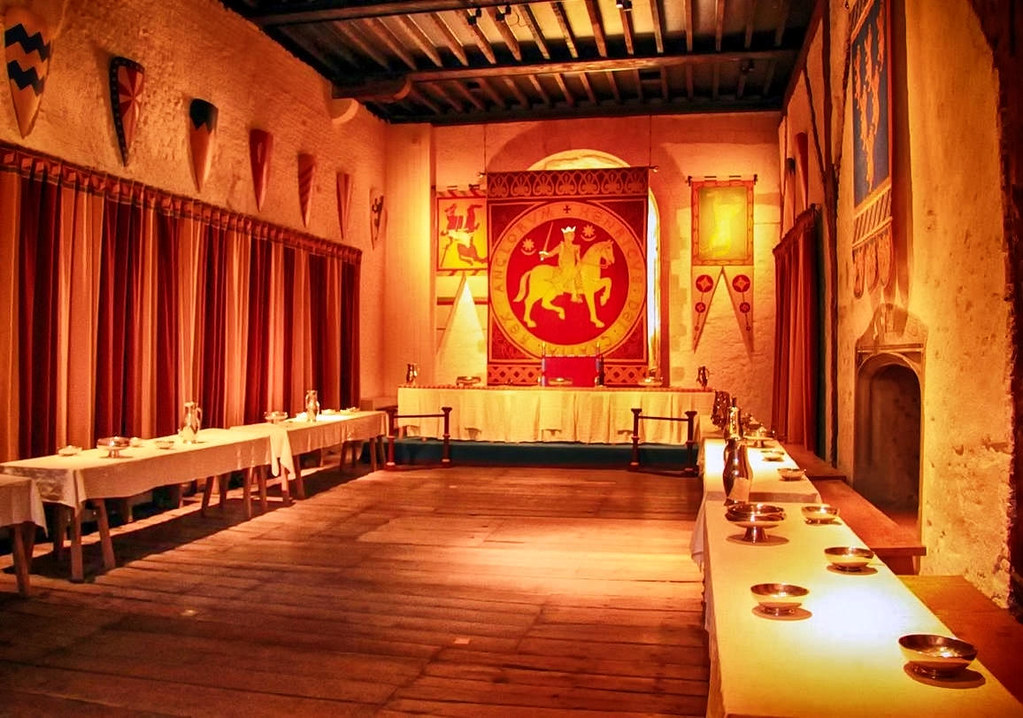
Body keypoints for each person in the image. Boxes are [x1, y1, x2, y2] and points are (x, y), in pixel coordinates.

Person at [539, 225, 582, 301]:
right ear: (565, 236)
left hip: (573, 267)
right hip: (563, 267)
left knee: (578, 273)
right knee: (569, 273)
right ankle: (572, 293)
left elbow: (578, 259)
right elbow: (551, 253)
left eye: (573, 234)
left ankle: (577, 291)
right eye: (571, 234)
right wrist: (544, 255)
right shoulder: (561, 246)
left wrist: (580, 264)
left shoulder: (576, 247)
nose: (573, 235)